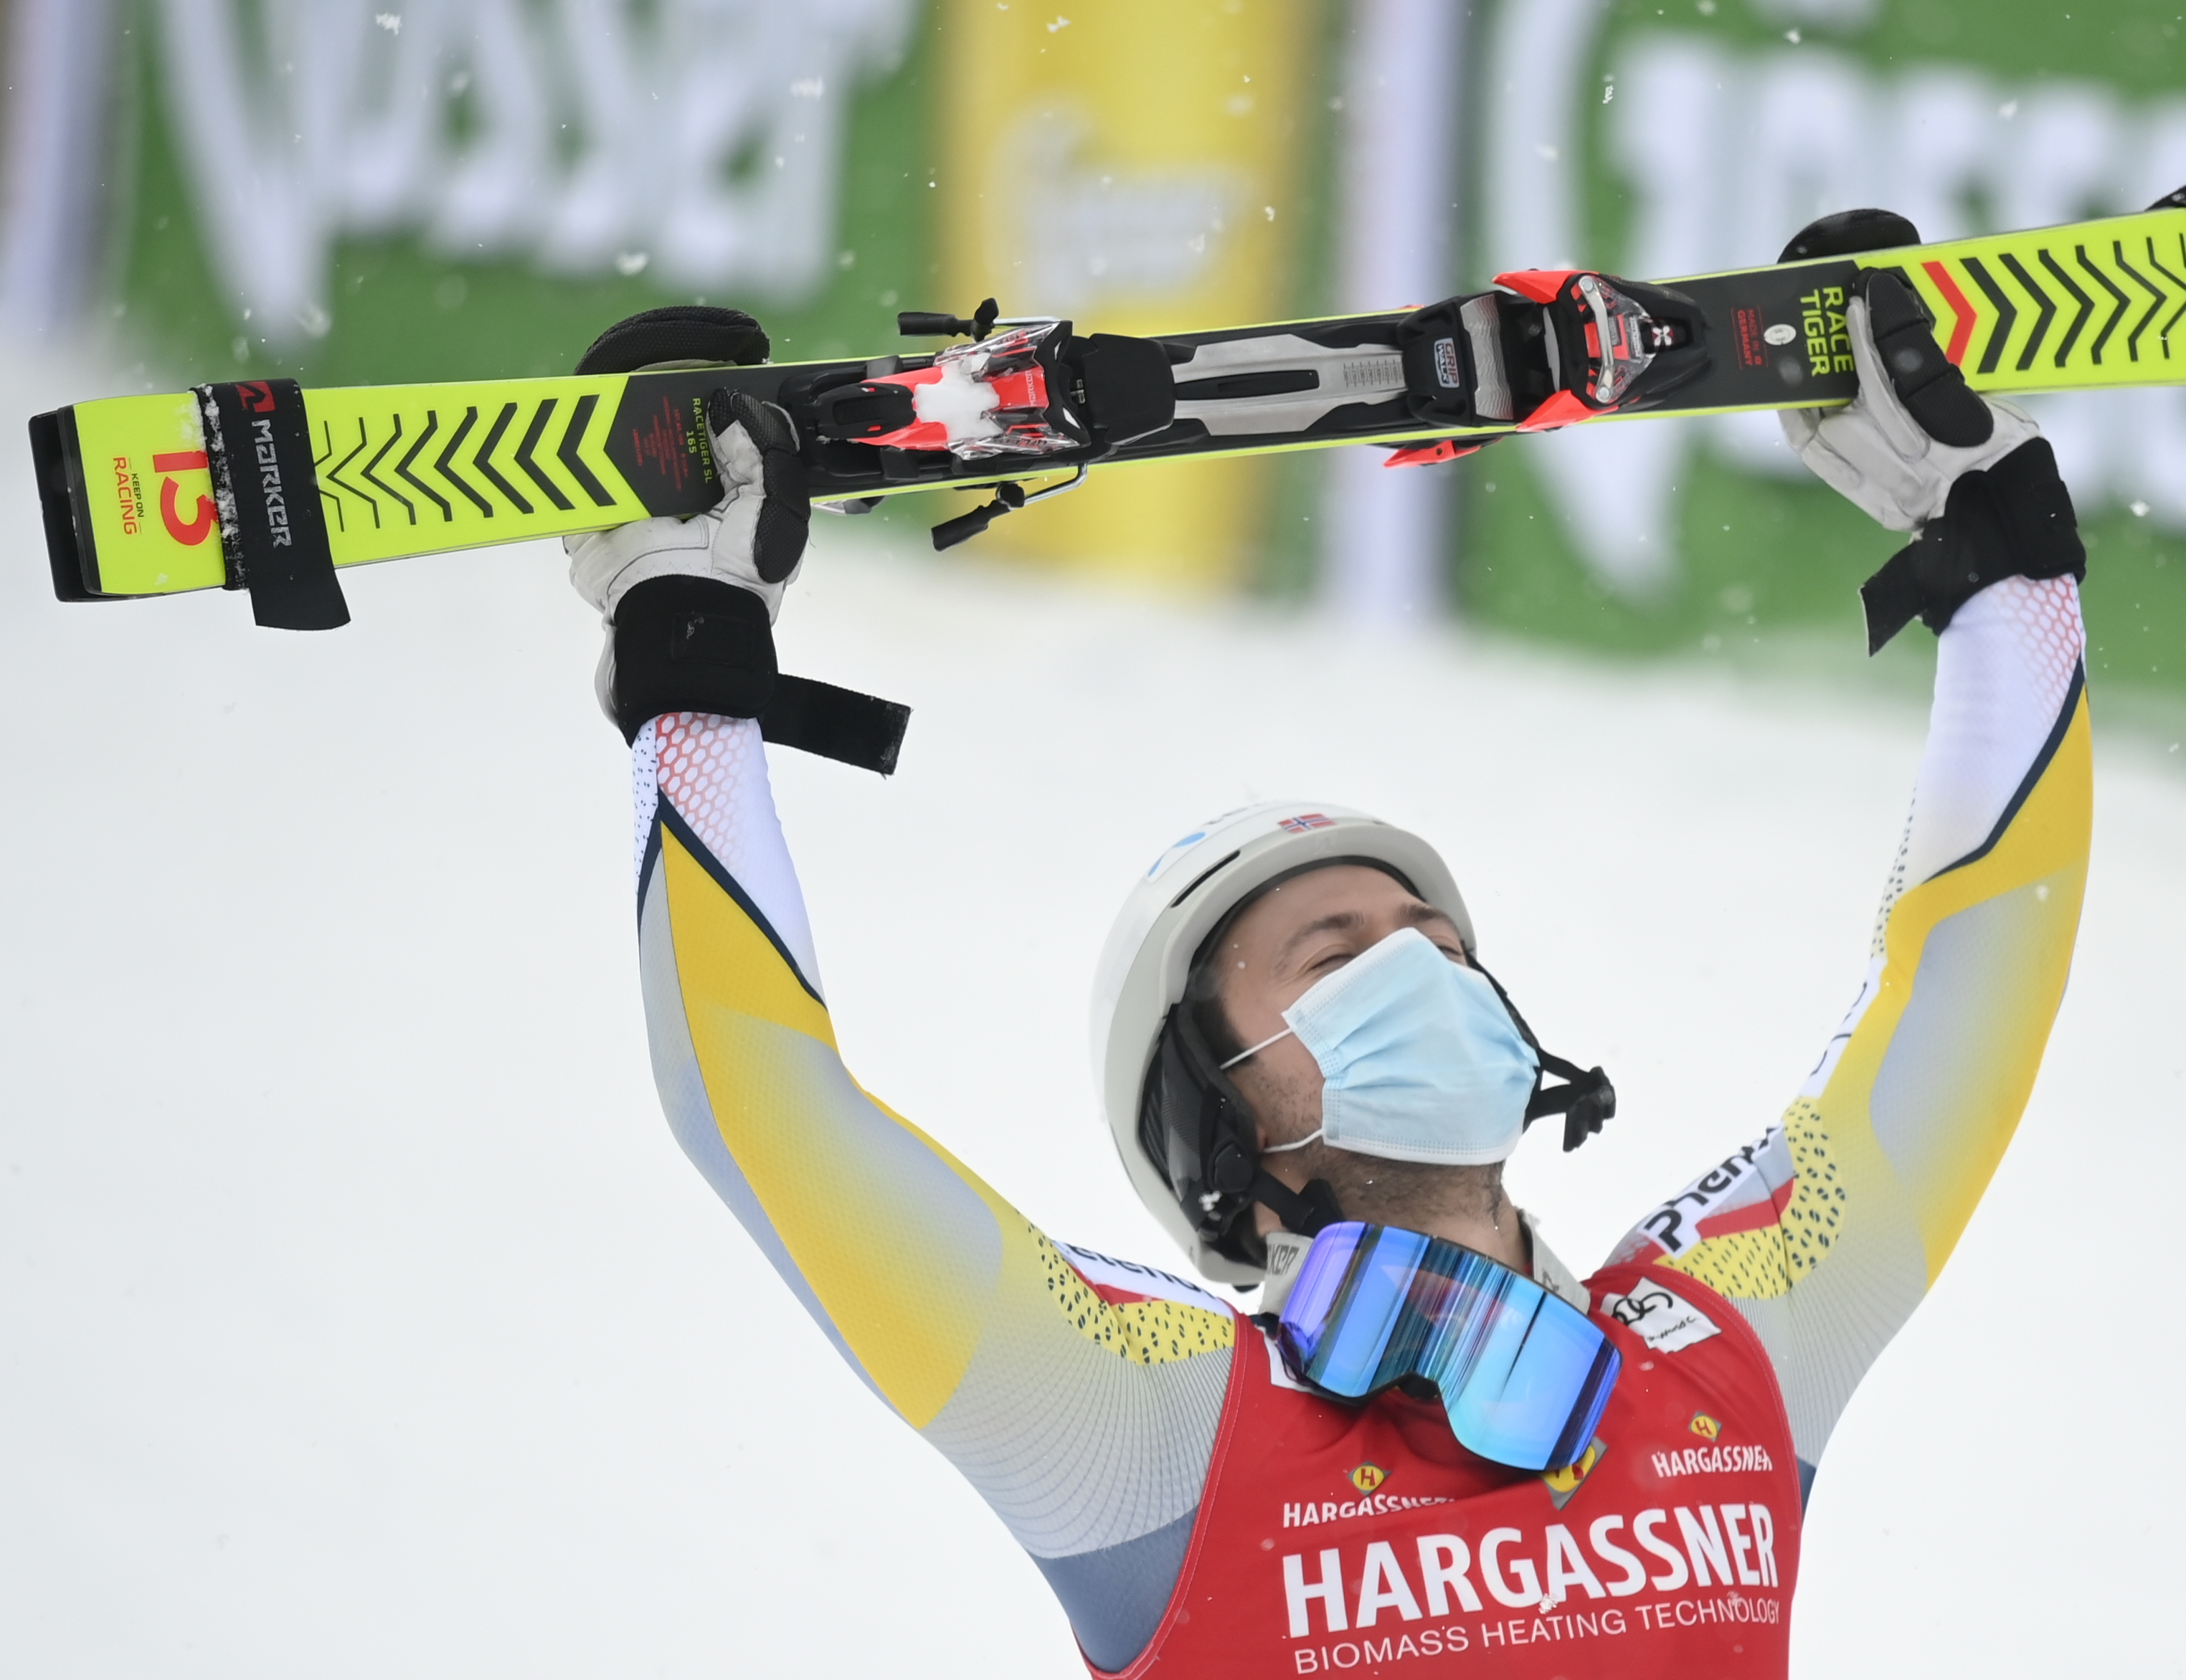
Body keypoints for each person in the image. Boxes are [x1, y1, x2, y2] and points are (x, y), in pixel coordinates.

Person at [565, 217, 2091, 1678]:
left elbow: (1971, 980)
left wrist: (1997, 549)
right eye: (1332, 952)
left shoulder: (1729, 1342)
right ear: (1218, 1114)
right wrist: (690, 665)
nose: (1418, 963)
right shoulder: (1148, 1426)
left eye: (1434, 936)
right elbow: (758, 1103)